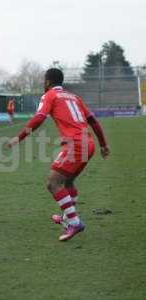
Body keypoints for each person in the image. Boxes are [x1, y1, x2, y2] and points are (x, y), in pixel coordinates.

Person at [7, 68, 110, 241]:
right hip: (88, 144)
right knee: (68, 181)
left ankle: (74, 222)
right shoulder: (74, 97)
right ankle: (66, 218)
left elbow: (39, 118)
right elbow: (93, 120)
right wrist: (103, 144)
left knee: (52, 183)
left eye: (43, 81)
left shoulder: (49, 95)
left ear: (48, 82)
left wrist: (19, 138)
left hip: (75, 145)